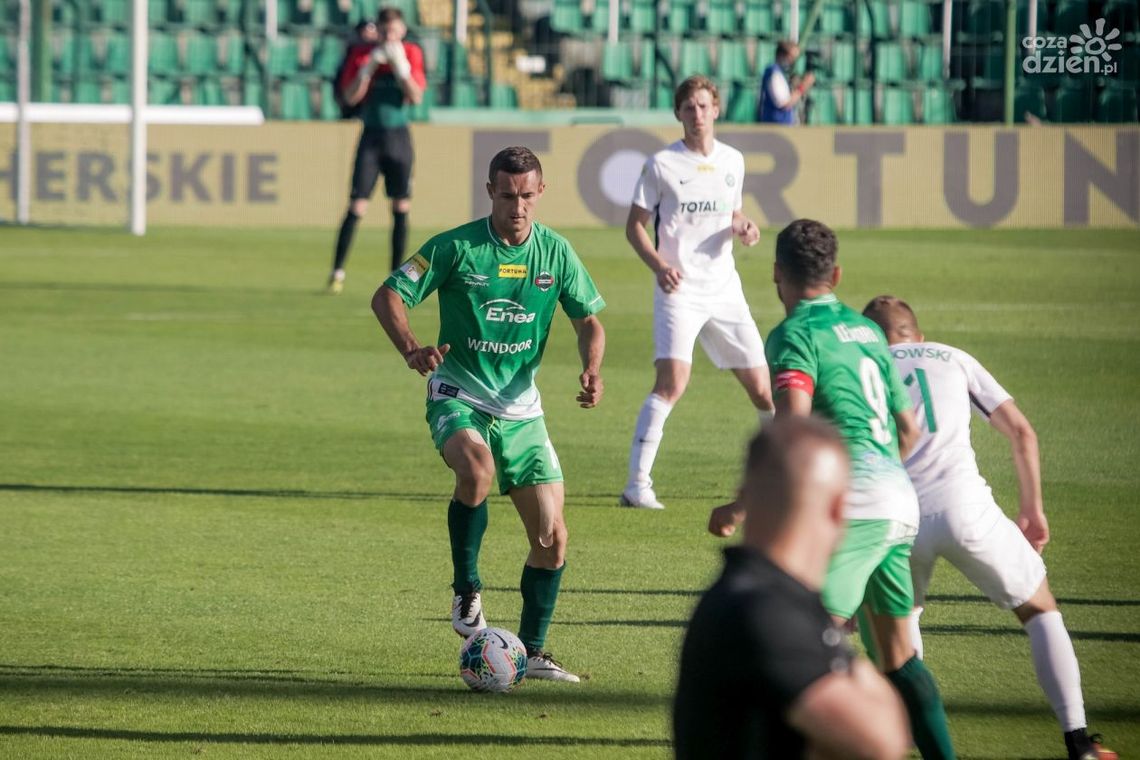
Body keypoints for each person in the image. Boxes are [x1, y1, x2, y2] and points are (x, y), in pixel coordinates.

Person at [708, 220, 957, 760]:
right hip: (899, 505)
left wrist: (740, 503)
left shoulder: (794, 335)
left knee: (798, 641)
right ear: (837, 274)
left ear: (777, 274)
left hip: (857, 511)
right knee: (897, 658)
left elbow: (792, 437)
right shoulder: (868, 332)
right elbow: (908, 429)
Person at [371, 146, 606, 683]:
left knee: (552, 538)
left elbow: (589, 320)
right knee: (476, 469)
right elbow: (388, 295)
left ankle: (531, 651)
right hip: (458, 392)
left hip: (523, 409)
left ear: (540, 193)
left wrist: (592, 367)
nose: (517, 207)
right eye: (507, 195)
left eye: (526, 196)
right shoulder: (455, 247)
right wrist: (412, 349)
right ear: (490, 193)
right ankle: (467, 589)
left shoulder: (557, 254)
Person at [862, 295, 1117, 760]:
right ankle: (1079, 741)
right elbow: (1022, 433)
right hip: (965, 508)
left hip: (896, 513)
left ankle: (909, 741)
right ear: (917, 335)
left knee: (902, 627)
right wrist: (1032, 511)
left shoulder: (862, 366)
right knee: (1038, 608)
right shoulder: (952, 357)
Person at [675, 417, 911, 760]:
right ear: (838, 509)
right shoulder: (768, 614)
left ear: (744, 498)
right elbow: (883, 741)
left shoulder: (754, 594)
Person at [620, 74, 773, 511]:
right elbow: (634, 226)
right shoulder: (662, 164)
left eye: (704, 106)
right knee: (672, 382)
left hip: (725, 287)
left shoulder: (733, 161)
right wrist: (659, 266)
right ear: (678, 114)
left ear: (717, 109)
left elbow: (733, 210)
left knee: (764, 389)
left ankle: (776, 475)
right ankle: (637, 484)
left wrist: (742, 224)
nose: (698, 114)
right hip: (679, 289)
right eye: (689, 107)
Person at [328, 6, 427, 294]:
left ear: (402, 31)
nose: (389, 37)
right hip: (370, 136)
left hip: (399, 137)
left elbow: (415, 96)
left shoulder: (410, 53)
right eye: (384, 33)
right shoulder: (363, 54)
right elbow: (350, 98)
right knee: (357, 205)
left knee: (401, 206)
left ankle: (396, 277)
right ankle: (337, 271)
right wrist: (368, 68)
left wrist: (400, 67)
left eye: (394, 32)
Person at [756, 40, 815, 125]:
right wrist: (803, 86)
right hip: (776, 127)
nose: (793, 61)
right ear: (782, 55)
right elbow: (785, 104)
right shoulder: (774, 74)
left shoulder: (779, 73)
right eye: (791, 57)